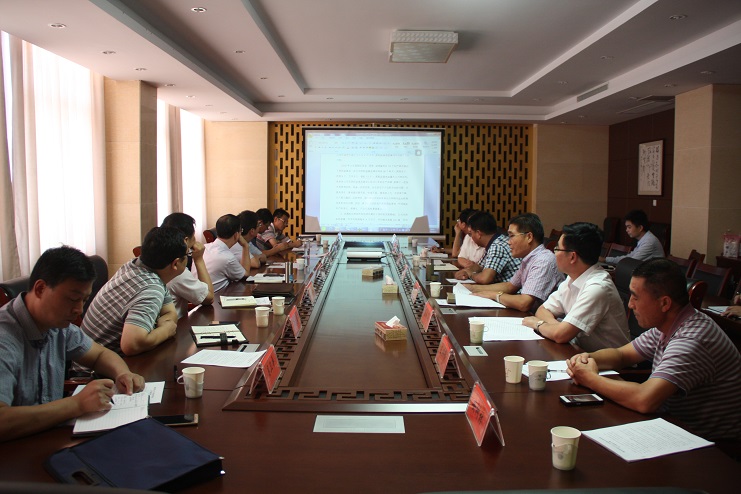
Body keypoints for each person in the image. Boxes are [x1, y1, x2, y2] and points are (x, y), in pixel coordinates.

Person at [566, 258, 741, 441]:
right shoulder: (668, 325)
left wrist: (590, 378)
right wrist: (587, 358)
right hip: (672, 426)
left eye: (635, 297)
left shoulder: (692, 339)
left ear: (664, 303)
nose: (630, 304)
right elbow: (622, 355)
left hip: (711, 445)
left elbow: (645, 400)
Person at [0, 246, 145, 442]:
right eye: (73, 299)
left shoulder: (58, 325)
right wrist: (77, 404)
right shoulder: (5, 338)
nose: (79, 310)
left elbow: (100, 354)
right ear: (40, 289)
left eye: (84, 300)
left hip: (51, 440)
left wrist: (122, 373)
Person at [523, 222, 629, 351]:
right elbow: (542, 310)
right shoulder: (573, 277)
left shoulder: (597, 287)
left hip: (607, 362)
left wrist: (539, 325)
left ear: (572, 256)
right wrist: (557, 328)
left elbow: (560, 335)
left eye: (557, 249)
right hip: (579, 352)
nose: (554, 253)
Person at [81, 226, 186, 357]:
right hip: (93, 368)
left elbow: (170, 312)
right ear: (175, 263)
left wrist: (163, 326)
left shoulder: (135, 266)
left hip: (104, 360)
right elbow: (132, 345)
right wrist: (165, 331)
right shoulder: (150, 288)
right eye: (187, 255)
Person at [471, 213, 562, 312]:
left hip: (546, 318)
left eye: (512, 236)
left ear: (529, 237)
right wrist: (471, 288)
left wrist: (494, 295)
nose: (508, 242)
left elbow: (524, 303)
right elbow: (510, 286)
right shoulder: (528, 258)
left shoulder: (543, 260)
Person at [161, 212, 214, 318]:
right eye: (193, 235)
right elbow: (209, 298)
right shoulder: (176, 269)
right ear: (185, 240)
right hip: (177, 326)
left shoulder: (158, 258)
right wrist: (199, 259)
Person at [454, 211, 520, 285]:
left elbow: (485, 279)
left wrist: (471, 275)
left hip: (512, 290)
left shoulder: (497, 246)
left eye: (471, 233)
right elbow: (479, 266)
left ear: (478, 234)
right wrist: (466, 271)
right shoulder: (494, 242)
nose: (471, 237)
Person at [201, 214, 251, 291]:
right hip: (216, 297)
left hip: (199, 296)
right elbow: (245, 274)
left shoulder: (204, 248)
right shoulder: (227, 257)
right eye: (241, 231)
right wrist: (245, 246)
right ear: (236, 235)